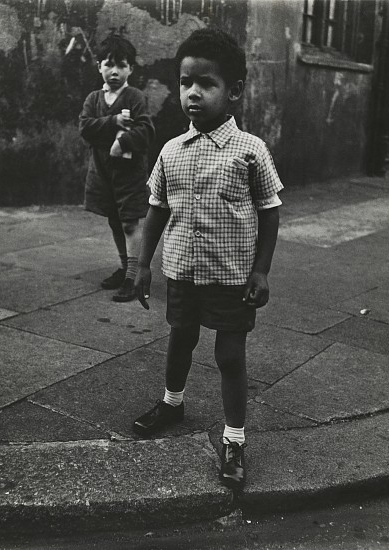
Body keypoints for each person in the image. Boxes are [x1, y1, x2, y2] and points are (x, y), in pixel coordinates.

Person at [133, 28, 284, 490]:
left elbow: (270, 210)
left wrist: (261, 269)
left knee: (229, 353)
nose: (192, 93)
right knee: (180, 337)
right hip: (181, 269)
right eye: (185, 82)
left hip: (231, 275)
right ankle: (172, 402)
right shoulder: (170, 151)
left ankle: (234, 438)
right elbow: (157, 209)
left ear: (234, 91)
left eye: (206, 83)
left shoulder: (250, 150)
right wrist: (142, 264)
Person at [79, 34, 155, 301]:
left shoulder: (135, 97)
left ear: (130, 69)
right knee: (114, 219)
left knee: (130, 223)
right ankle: (125, 267)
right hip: (102, 173)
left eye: (122, 65)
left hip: (129, 174)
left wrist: (122, 141)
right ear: (99, 66)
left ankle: (133, 278)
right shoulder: (94, 99)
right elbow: (85, 127)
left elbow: (146, 130)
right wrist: (112, 123)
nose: (115, 71)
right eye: (109, 64)